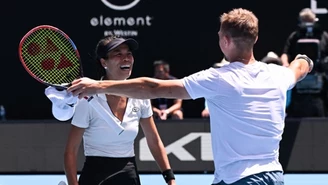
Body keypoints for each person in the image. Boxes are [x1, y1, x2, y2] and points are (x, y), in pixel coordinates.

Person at [67, 8, 313, 185]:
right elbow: (299, 69)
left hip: (237, 179)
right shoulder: (279, 75)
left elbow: (152, 88)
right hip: (274, 176)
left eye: (219, 36)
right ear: (255, 39)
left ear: (225, 41)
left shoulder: (218, 79)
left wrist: (97, 86)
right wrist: (305, 59)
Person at [63, 35, 176, 185]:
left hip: (128, 175)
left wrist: (170, 179)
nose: (126, 58)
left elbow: (154, 141)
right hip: (95, 176)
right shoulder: (87, 100)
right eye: (118, 54)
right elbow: (71, 150)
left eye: (129, 53)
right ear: (104, 62)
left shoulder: (141, 96)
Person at [280, 8, 328, 117]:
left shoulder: (323, 36)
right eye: (305, 20)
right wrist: (285, 64)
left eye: (310, 20)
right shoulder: (295, 36)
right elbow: (285, 53)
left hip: (320, 85)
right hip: (298, 82)